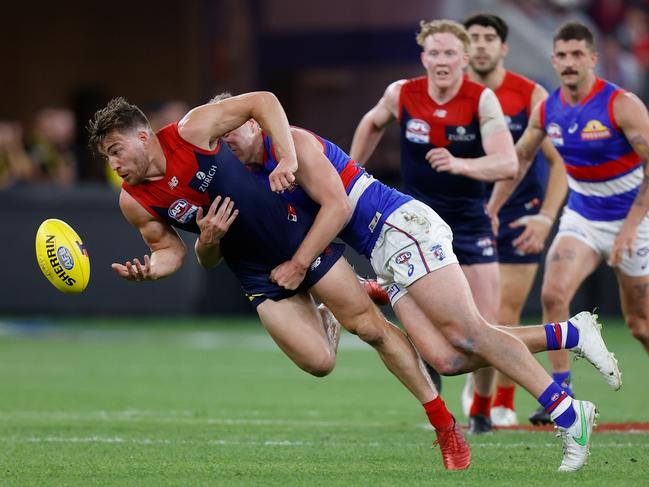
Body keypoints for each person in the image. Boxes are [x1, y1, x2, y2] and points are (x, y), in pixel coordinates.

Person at [221, 88, 619, 474]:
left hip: (399, 228)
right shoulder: (256, 174)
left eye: (230, 130)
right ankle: (569, 333)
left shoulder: (291, 144)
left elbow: (339, 207)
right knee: (447, 359)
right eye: (220, 137)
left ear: (256, 125)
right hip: (381, 252)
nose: (225, 141)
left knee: (471, 334)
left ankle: (568, 414)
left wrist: (299, 265)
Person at [87, 94, 472, 471]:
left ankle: (445, 425)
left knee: (372, 329)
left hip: (298, 238)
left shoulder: (192, 129)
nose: (114, 163)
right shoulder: (133, 201)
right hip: (254, 271)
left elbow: (265, 101)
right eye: (108, 157)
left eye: (117, 150)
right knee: (319, 363)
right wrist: (169, 260)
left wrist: (287, 156)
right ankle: (332, 313)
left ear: (142, 137)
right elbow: (181, 255)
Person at [351, 18, 519, 435]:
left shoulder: (481, 100)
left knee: (486, 323)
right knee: (433, 331)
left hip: (468, 220)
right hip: (417, 225)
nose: (441, 61)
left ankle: (480, 406)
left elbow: (508, 163)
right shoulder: (401, 93)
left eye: (449, 53)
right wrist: (350, 175)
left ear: (463, 58)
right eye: (434, 53)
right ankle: (437, 398)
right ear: (423, 57)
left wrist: (460, 163)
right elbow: (372, 123)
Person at [490, 21, 649, 424]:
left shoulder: (621, 104)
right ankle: (560, 392)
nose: (569, 62)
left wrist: (630, 227)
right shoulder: (548, 108)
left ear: (593, 59)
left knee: (640, 325)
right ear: (554, 60)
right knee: (553, 294)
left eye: (577, 54)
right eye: (561, 55)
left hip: (633, 219)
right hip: (582, 215)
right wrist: (492, 207)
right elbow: (522, 157)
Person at [462, 13, 568, 427]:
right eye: (474, 38)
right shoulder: (452, 94)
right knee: (467, 316)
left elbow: (558, 163)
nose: (482, 44)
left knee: (502, 314)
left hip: (519, 215)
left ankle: (495, 404)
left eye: (490, 37)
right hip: (465, 215)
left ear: (504, 47)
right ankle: (486, 391)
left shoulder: (530, 95)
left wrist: (545, 217)